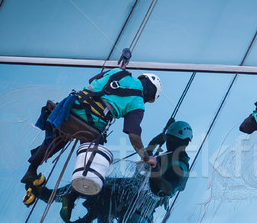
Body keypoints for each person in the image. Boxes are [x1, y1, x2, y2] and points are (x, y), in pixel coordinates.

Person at [30, 121, 193, 223]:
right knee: (99, 186)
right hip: (135, 193)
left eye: (173, 139)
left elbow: (167, 189)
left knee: (99, 184)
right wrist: (163, 134)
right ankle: (70, 207)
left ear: (183, 142)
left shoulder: (180, 164)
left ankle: (58, 200)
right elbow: (150, 147)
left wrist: (156, 169)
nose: (170, 141)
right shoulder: (168, 155)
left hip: (139, 197)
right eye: (169, 138)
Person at [21, 57, 162, 192]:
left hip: (71, 110)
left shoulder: (117, 72)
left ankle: (31, 170)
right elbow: (133, 134)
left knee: (58, 139)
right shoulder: (138, 103)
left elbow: (93, 81)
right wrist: (146, 157)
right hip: (91, 127)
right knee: (93, 160)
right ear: (150, 95)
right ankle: (74, 194)